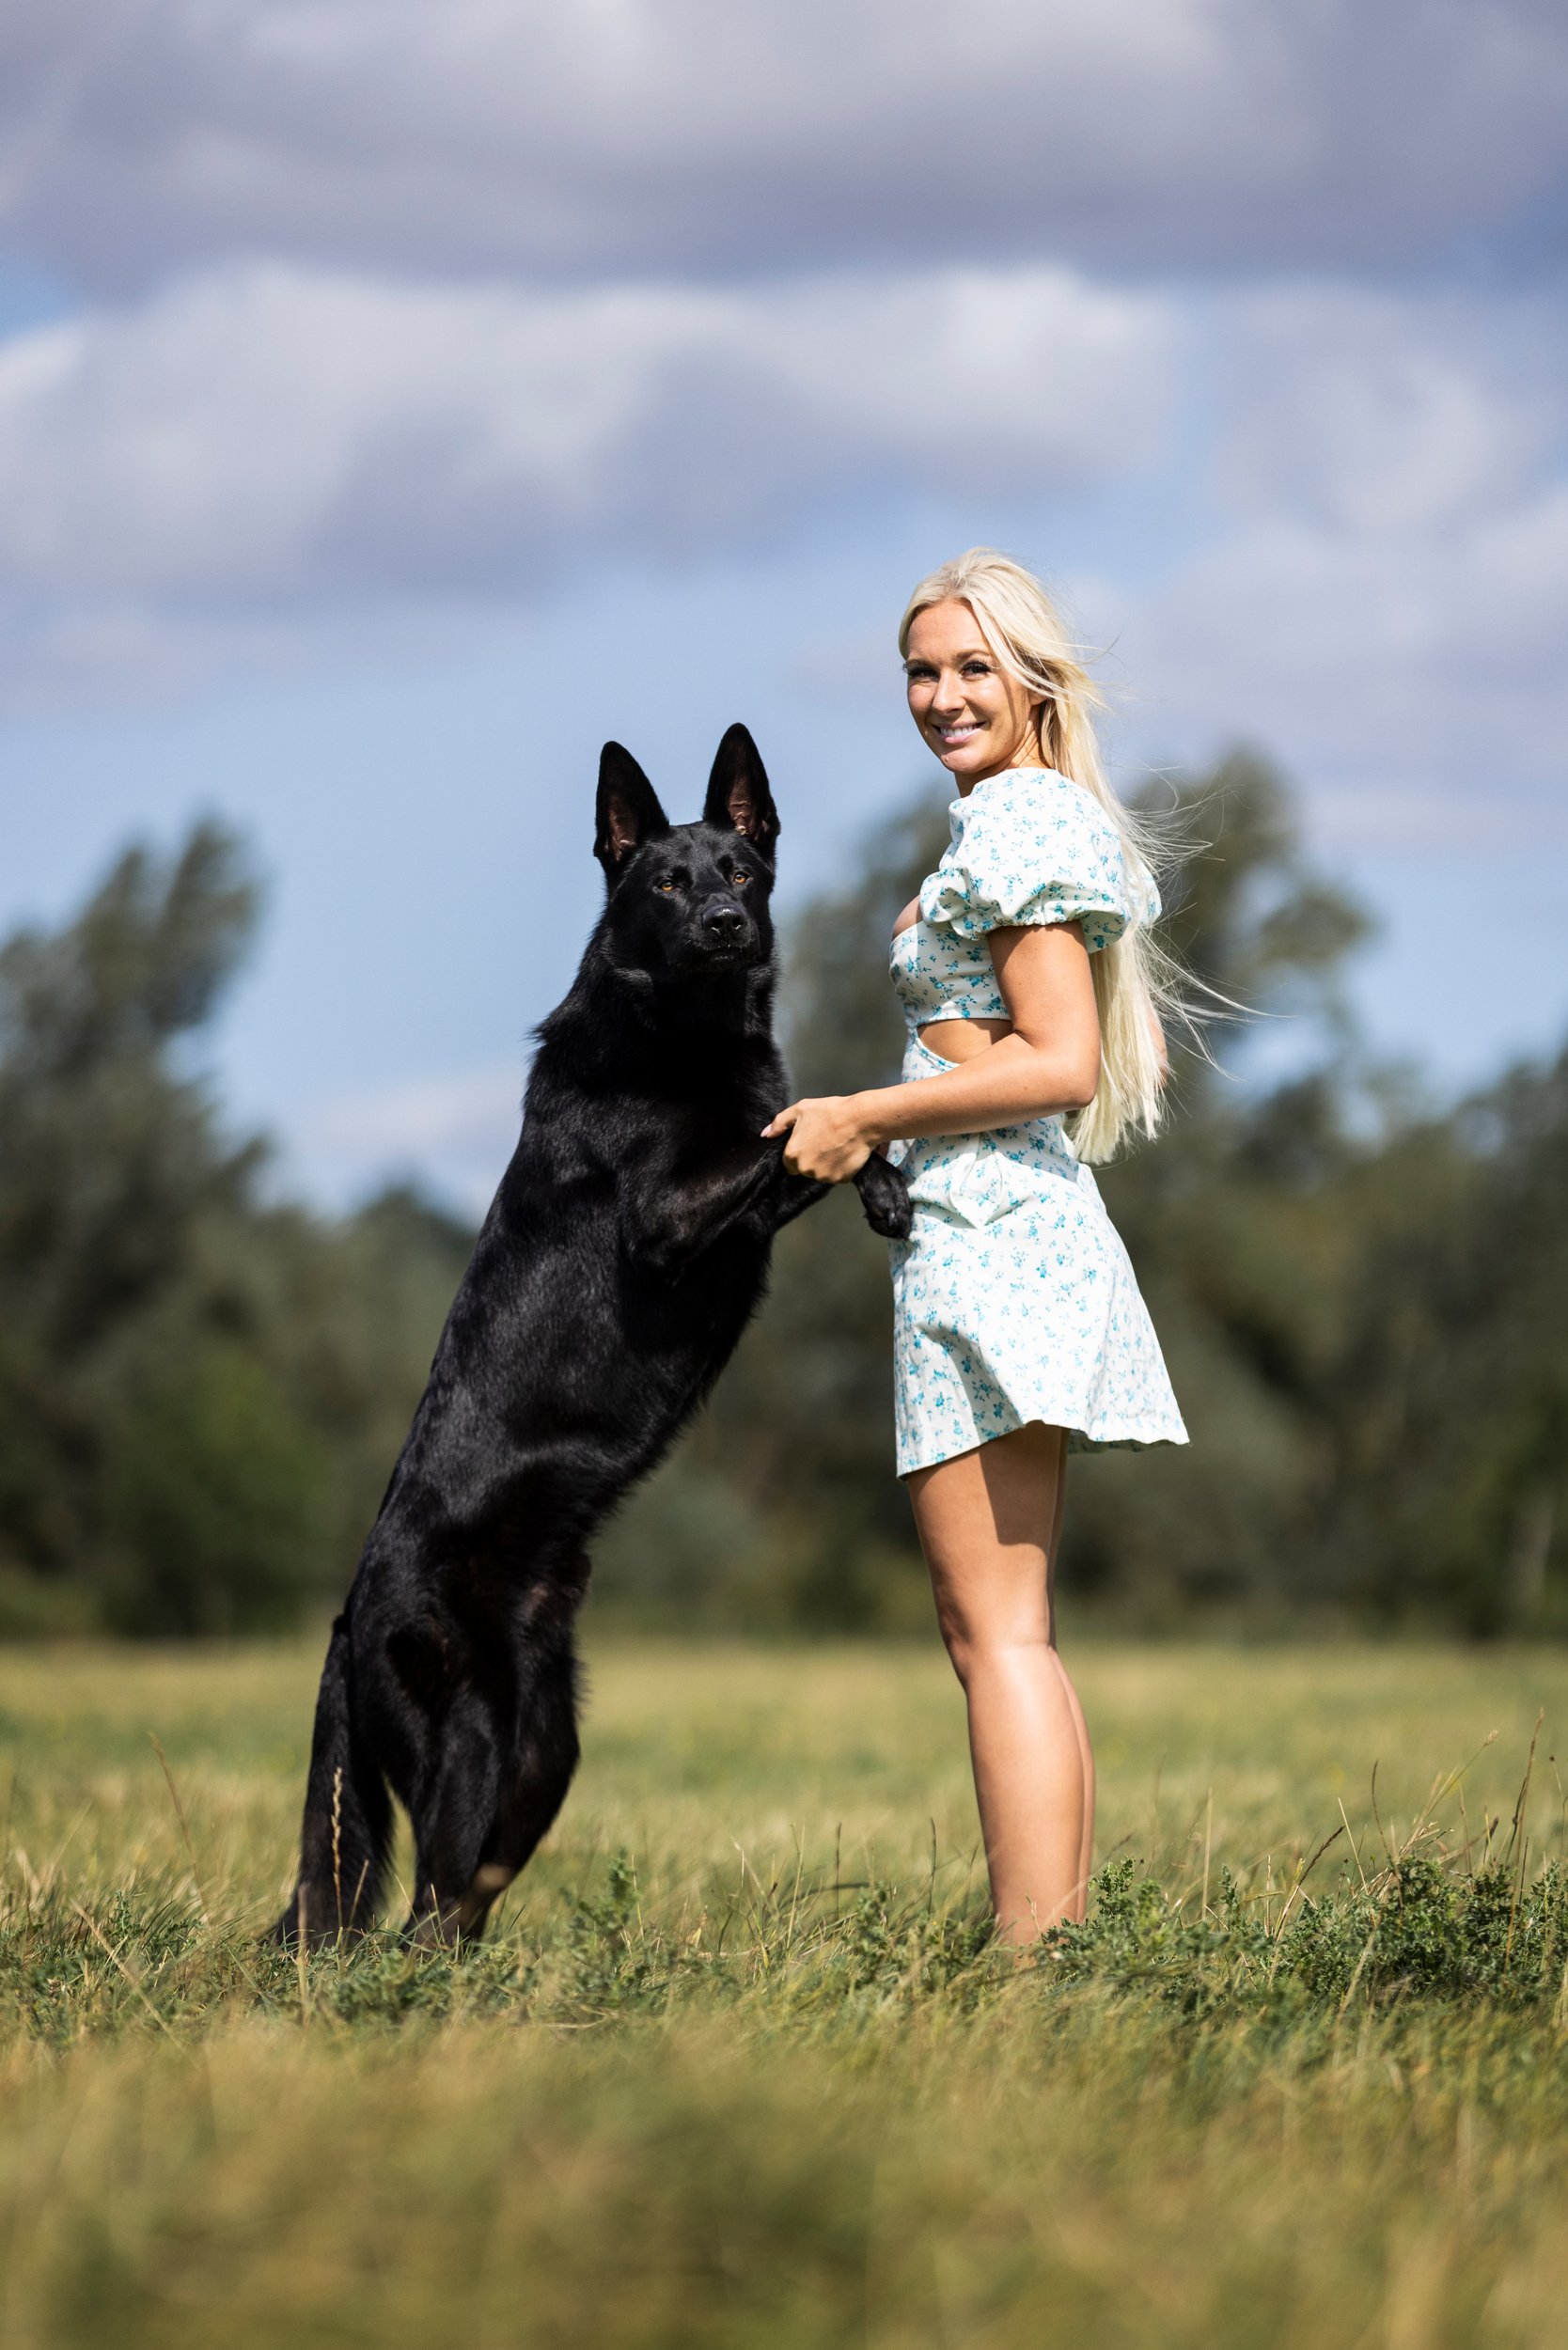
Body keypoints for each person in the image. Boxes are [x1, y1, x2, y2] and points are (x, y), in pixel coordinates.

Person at [763, 548, 1187, 1944]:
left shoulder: (1014, 826)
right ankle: (1047, 1954)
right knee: (1009, 1627)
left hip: (992, 1239)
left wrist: (863, 1113)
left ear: (1032, 679)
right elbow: (1019, 1045)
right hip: (1003, 1232)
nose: (943, 696)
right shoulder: (1015, 821)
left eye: (971, 668)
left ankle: (1028, 1967)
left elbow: (1059, 1061)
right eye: (923, 671)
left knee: (993, 1630)